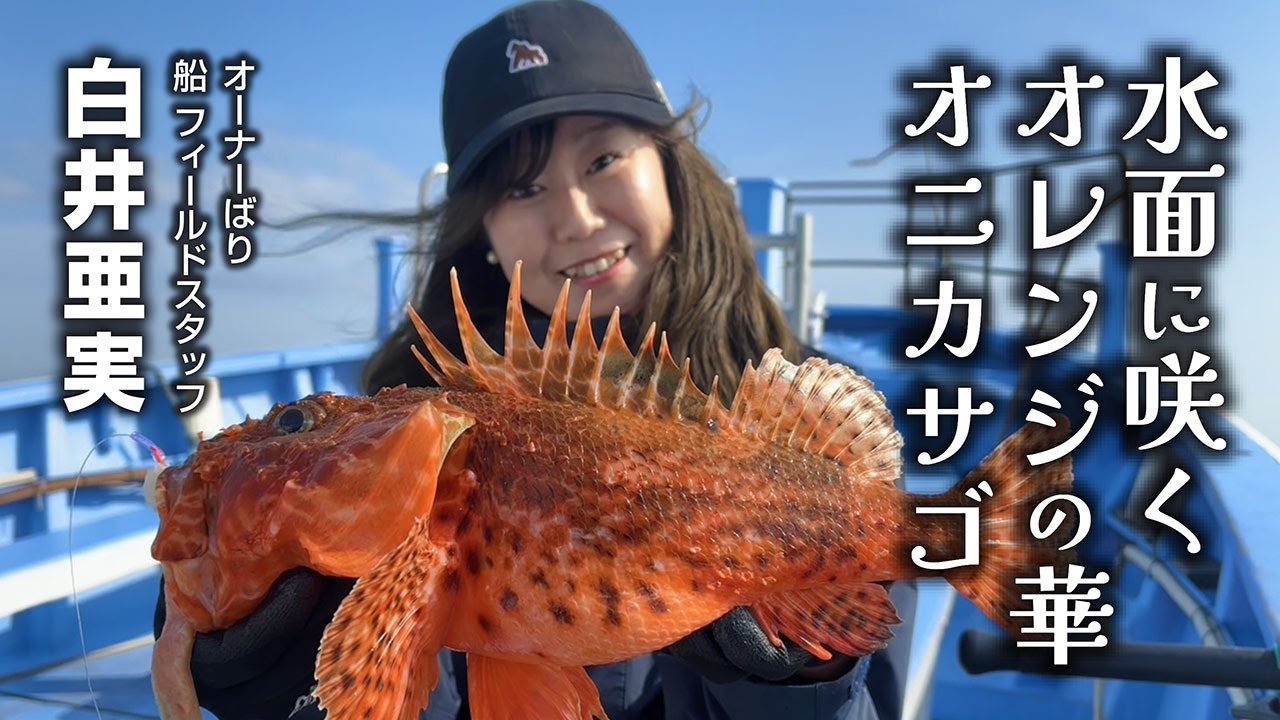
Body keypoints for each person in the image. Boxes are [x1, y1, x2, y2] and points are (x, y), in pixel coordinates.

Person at [157, 2, 915, 718]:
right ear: (481, 228)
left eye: (604, 158)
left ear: (670, 167)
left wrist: (802, 684)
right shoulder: (414, 403)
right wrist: (283, 689)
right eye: (523, 187)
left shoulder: (805, 454)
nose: (576, 218)